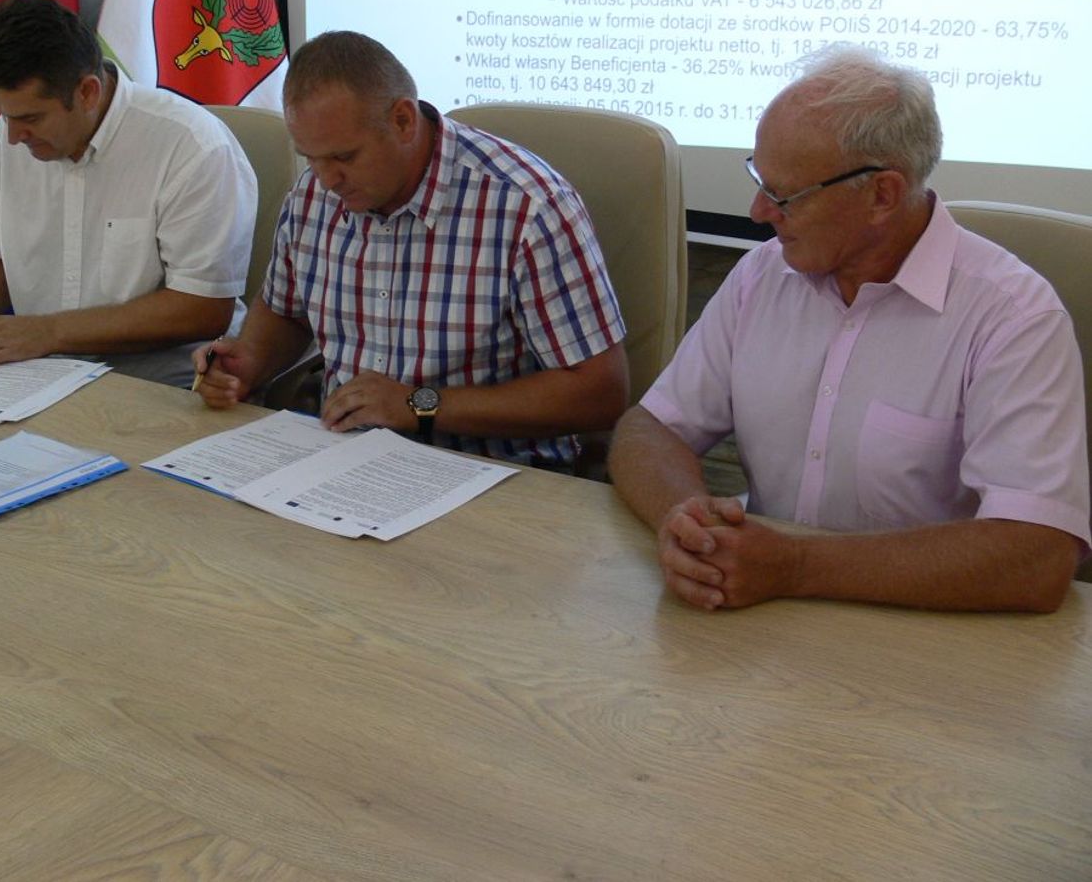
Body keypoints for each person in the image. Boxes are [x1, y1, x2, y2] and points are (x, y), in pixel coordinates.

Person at [609, 45, 1089, 613]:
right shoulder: (762, 276)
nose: (758, 211)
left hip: (927, 634)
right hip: (758, 615)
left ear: (882, 194)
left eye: (784, 195)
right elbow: (650, 429)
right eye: (758, 178)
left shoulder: (1013, 317)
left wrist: (795, 566)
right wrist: (686, 523)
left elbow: (1037, 556)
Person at [192, 30, 629, 469]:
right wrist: (248, 363)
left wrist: (418, 404)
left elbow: (600, 393)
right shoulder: (313, 195)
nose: (326, 180)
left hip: (491, 468)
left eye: (344, 157)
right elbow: (287, 312)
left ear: (403, 120)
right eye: (311, 157)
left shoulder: (527, 207)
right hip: (341, 459)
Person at [0, 0, 257, 386]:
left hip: (165, 387)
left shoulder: (192, 147)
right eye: (2, 115)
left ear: (87, 92)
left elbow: (203, 308)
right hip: (40, 378)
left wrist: (50, 332)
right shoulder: (8, 137)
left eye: (30, 118)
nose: (12, 137)